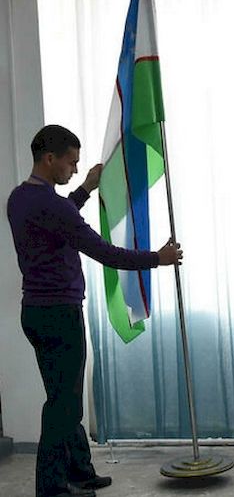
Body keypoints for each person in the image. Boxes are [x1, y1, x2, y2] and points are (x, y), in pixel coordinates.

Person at [6, 125, 183, 497]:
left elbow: (59, 216)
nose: (73, 168)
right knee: (62, 405)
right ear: (50, 158)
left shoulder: (20, 198)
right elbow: (105, 252)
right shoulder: (51, 205)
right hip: (59, 313)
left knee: (62, 396)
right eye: (71, 162)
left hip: (36, 312)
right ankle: (52, 487)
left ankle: (80, 472)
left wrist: (86, 187)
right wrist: (158, 259)